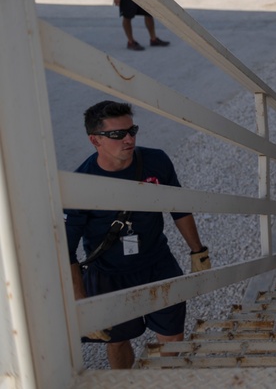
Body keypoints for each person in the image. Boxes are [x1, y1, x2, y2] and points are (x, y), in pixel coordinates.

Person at [64, 100, 210, 369]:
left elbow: (178, 207)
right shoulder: (81, 185)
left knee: (172, 335)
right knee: (117, 340)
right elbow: (65, 250)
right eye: (117, 134)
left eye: (132, 130)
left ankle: (165, 380)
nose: (128, 139)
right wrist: (81, 302)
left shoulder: (156, 160)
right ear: (95, 140)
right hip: (109, 275)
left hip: (158, 263)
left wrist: (198, 251)